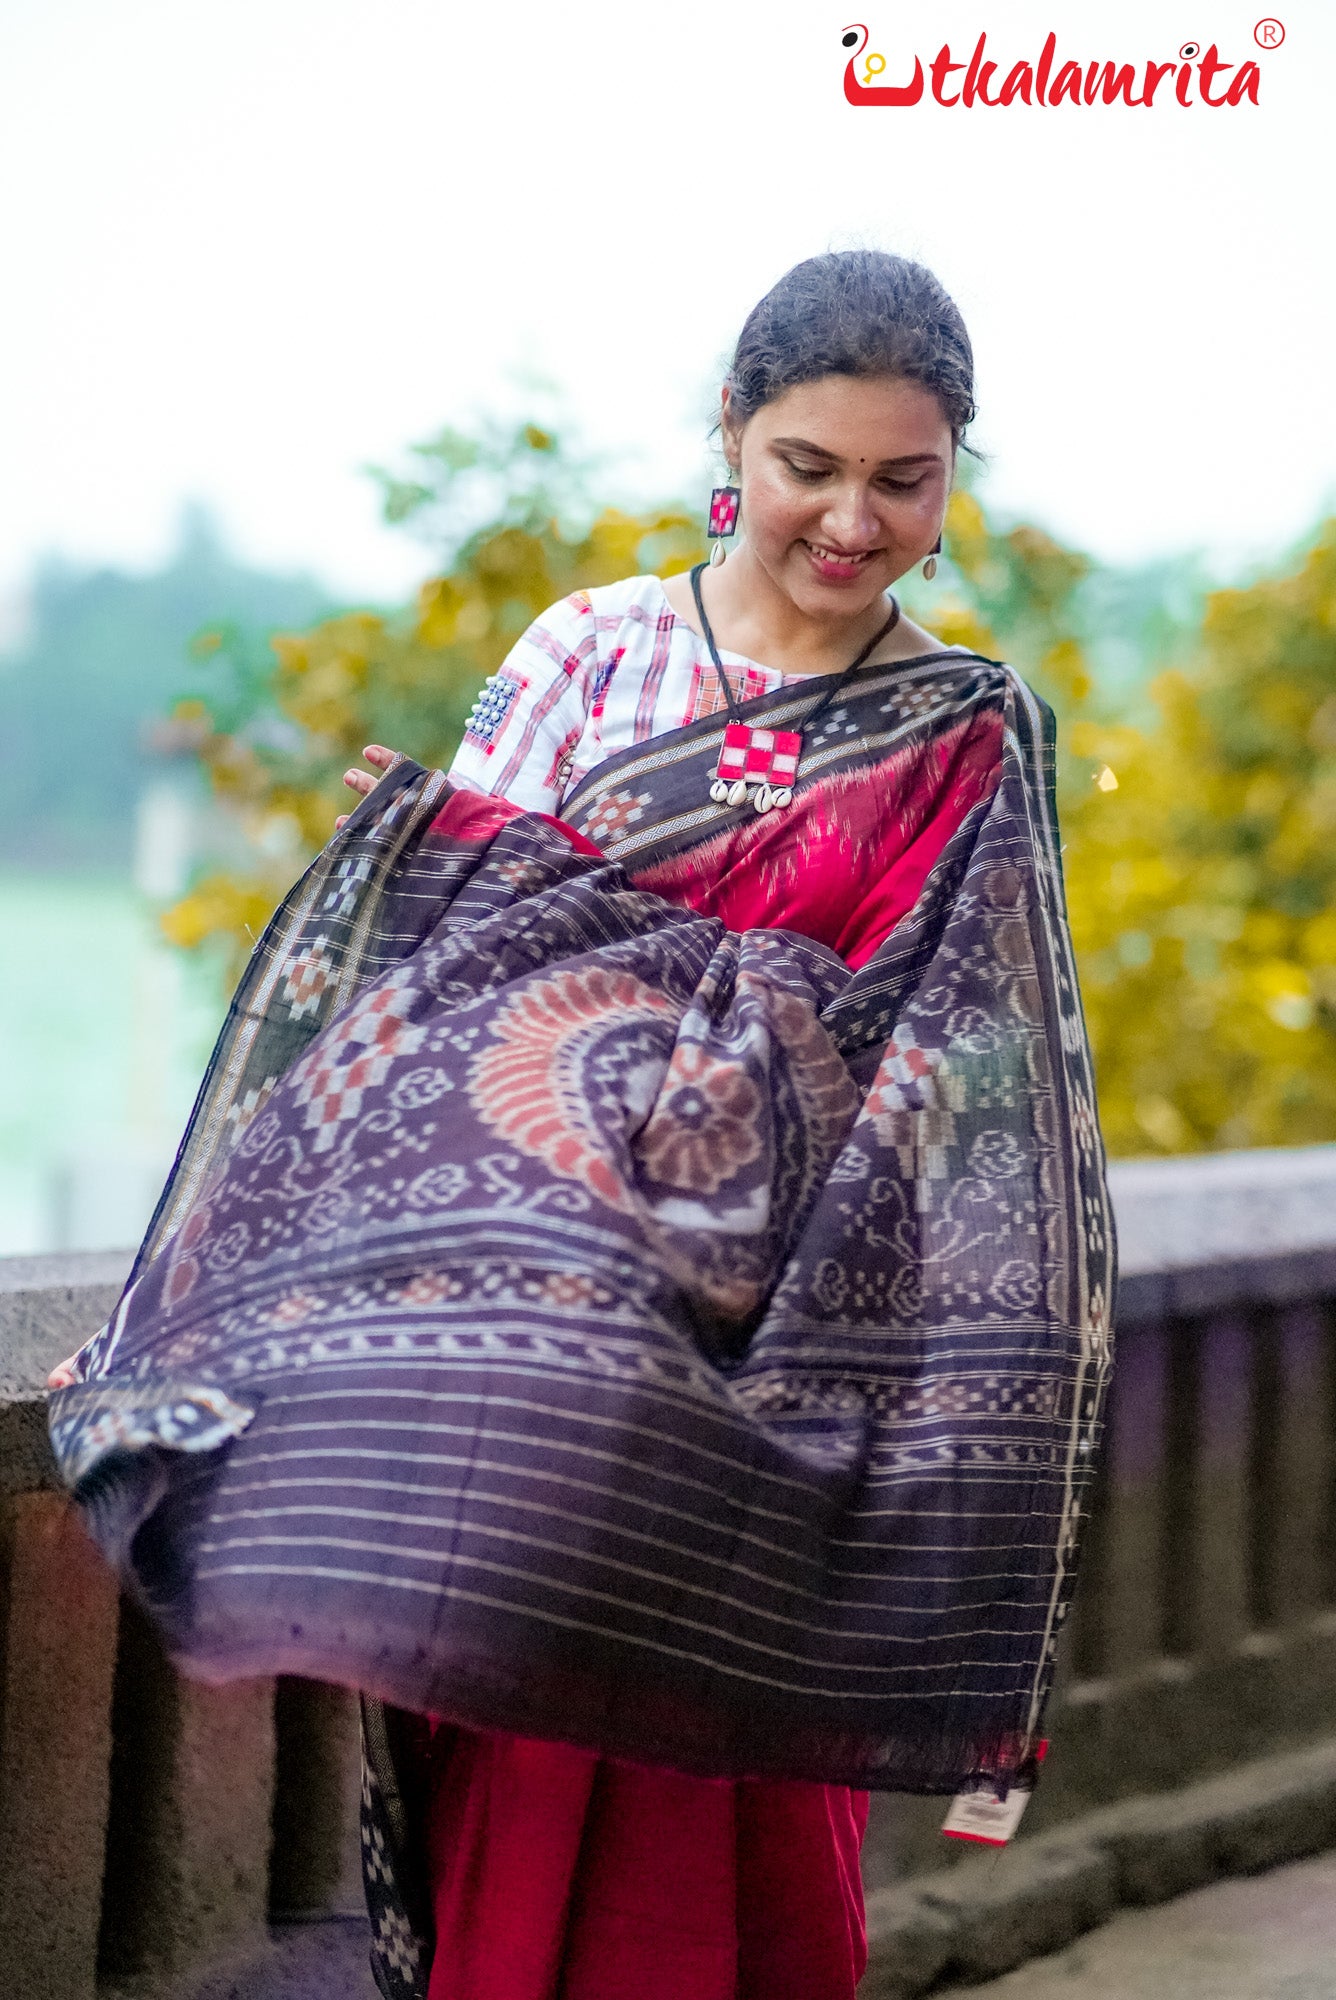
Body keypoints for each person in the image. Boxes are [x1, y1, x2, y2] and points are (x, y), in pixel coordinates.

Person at [49, 251, 1115, 2000]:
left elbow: (961, 1062)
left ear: (950, 487)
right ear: (732, 438)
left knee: (747, 1814)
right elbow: (452, 996)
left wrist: (729, 1044)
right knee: (526, 1808)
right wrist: (425, 861)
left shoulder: (970, 731)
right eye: (809, 467)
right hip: (552, 1354)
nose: (850, 522)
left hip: (780, 1360)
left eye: (900, 481)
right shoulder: (588, 653)